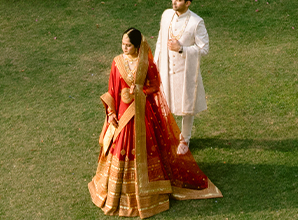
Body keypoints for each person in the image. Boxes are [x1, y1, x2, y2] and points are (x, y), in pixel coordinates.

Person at [88, 28, 221, 218]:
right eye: (123, 44)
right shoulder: (117, 63)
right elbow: (112, 89)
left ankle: (147, 193)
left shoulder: (145, 62)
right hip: (122, 114)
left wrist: (141, 90)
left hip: (141, 113)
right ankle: (118, 195)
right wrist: (110, 113)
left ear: (137, 46)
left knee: (144, 147)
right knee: (120, 148)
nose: (124, 48)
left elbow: (155, 85)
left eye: (128, 45)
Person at [154, 0, 207, 155]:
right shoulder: (166, 15)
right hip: (166, 67)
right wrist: (155, 64)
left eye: (178, 0)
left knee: (186, 104)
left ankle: (185, 139)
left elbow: (204, 49)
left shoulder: (196, 22)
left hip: (186, 70)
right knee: (163, 102)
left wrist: (182, 49)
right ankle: (166, 135)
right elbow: (160, 41)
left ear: (188, 3)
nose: (174, 2)